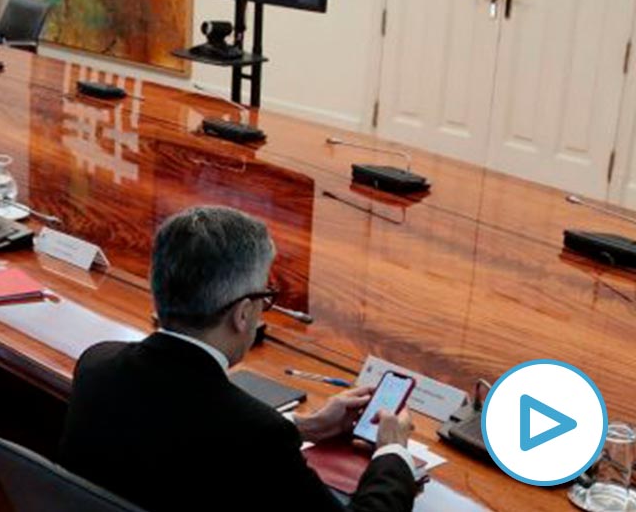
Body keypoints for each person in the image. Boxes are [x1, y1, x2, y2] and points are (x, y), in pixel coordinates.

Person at [60, 206, 419, 512]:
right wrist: (392, 454)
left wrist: (306, 427)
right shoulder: (257, 436)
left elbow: (189, 439)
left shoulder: (96, 365)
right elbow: (229, 440)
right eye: (265, 296)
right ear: (243, 314)